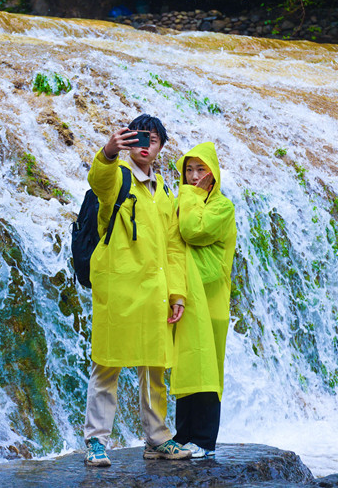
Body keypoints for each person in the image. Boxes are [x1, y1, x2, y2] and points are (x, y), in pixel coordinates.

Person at [83, 114, 190, 466]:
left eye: (154, 140)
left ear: (160, 147)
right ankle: (96, 441)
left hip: (155, 291)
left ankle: (157, 438)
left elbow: (174, 248)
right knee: (106, 366)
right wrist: (109, 152)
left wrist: (177, 293)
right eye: (140, 138)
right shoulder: (119, 179)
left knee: (155, 368)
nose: (146, 146)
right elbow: (99, 181)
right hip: (119, 287)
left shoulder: (164, 193)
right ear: (130, 141)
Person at [169, 142, 237, 459]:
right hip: (187, 296)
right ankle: (183, 435)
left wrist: (189, 197)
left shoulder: (222, 207)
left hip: (210, 297)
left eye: (200, 170)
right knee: (187, 364)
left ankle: (205, 441)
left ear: (213, 174)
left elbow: (191, 230)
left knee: (207, 368)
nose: (194, 177)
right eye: (189, 170)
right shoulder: (186, 200)